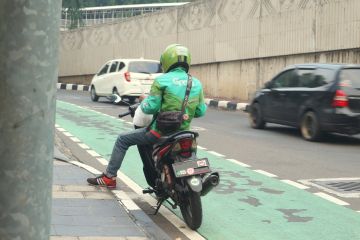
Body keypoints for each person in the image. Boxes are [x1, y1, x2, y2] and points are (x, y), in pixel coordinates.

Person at [87, 44, 207, 188]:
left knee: (122, 140)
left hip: (159, 132)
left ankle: (109, 177)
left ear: (167, 61)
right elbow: (200, 111)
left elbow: (150, 108)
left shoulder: (162, 80)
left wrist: (144, 99)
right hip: (184, 132)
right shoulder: (196, 83)